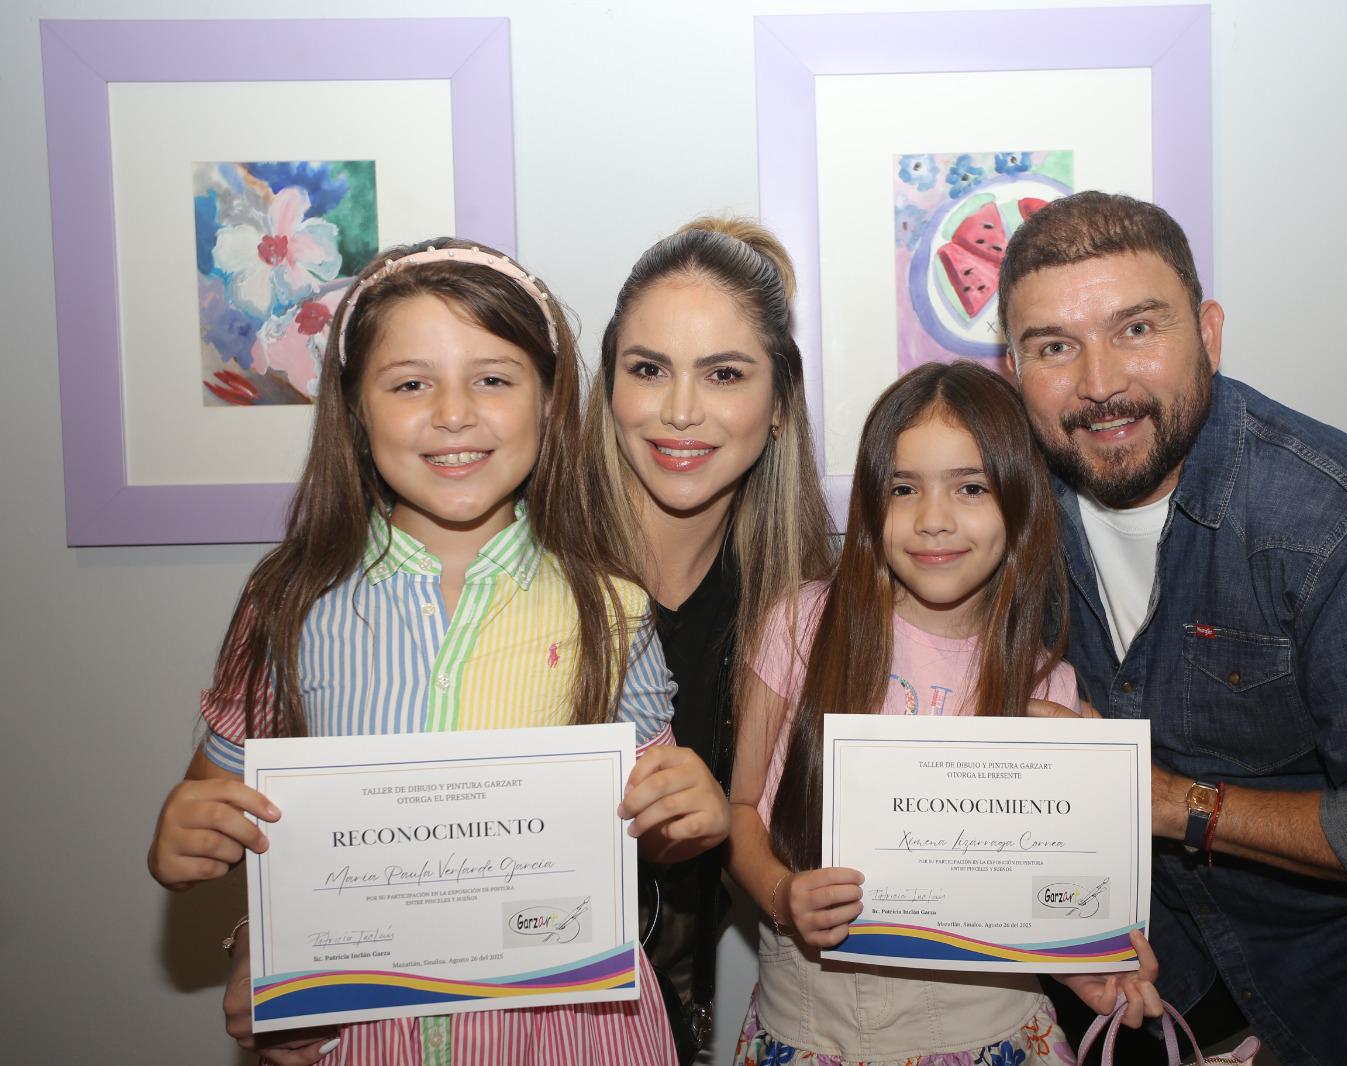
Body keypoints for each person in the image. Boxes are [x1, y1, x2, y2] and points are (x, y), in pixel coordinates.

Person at [999, 191, 1347, 1065]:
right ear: (1012, 369)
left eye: (1137, 329)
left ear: (1209, 334)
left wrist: (1165, 801)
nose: (1100, 383)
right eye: (1054, 347)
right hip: (1184, 970)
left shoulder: (1338, 523)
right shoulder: (1005, 514)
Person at [147, 238, 730, 1065]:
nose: (453, 414)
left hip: (566, 1031)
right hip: (361, 1027)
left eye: (492, 379)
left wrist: (691, 815)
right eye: (411, 384)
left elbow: (652, 824)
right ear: (355, 409)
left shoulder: (611, 608)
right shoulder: (288, 604)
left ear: (549, 402)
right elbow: (218, 798)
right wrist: (187, 840)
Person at [725, 361, 1161, 1065]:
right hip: (807, 1026)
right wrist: (782, 896)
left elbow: (1032, 898)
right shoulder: (800, 625)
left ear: (1020, 504)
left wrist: (1083, 965)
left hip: (989, 1032)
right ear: (872, 503)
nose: (933, 520)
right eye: (904, 488)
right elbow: (740, 809)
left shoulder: (1049, 692)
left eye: (970, 487)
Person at [582, 217, 834, 1059]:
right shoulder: (528, 576)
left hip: (672, 1026)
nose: (681, 411)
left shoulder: (800, 611)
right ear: (609, 386)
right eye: (648, 369)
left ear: (778, 404)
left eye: (724, 374)